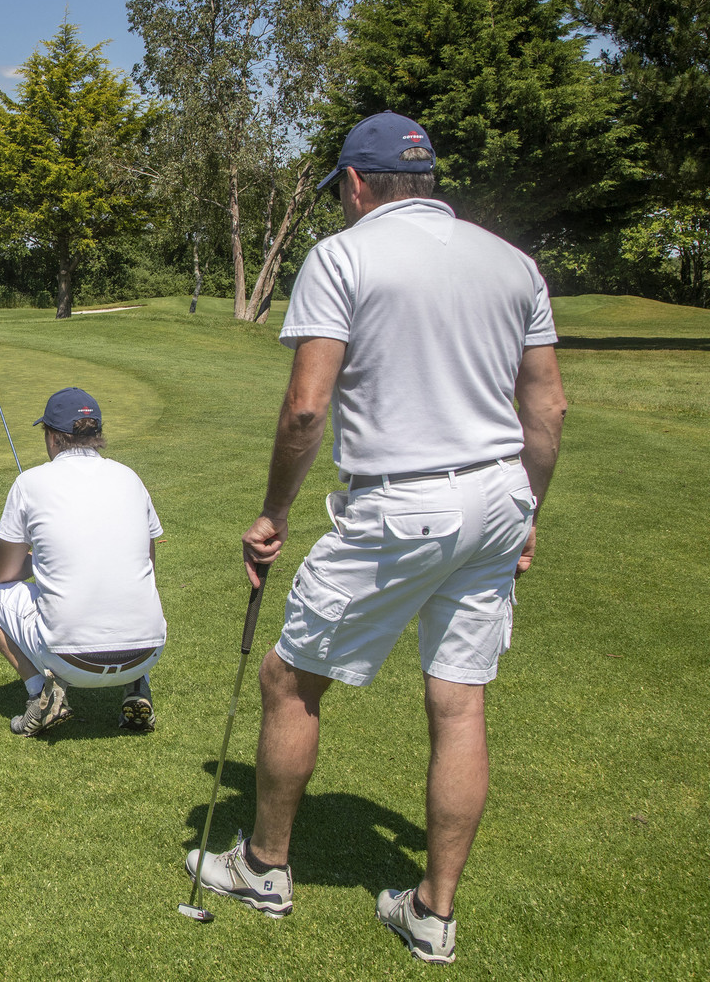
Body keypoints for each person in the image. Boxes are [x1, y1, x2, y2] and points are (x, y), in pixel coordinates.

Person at [187, 111, 567, 965]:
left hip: (402, 506)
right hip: (500, 496)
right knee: (458, 698)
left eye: (342, 193)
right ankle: (432, 912)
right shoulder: (513, 262)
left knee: (290, 678)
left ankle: (263, 866)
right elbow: (546, 407)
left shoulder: (343, 256)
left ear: (357, 185)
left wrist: (274, 514)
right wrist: (529, 514)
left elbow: (307, 407)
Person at [0, 388, 168, 736]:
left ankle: (40, 695)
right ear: (96, 435)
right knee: (128, 585)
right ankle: (138, 687)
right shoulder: (130, 478)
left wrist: (37, 561)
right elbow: (148, 564)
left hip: (71, 660)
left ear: (52, 437)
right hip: (147, 651)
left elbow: (3, 572)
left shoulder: (29, 483)